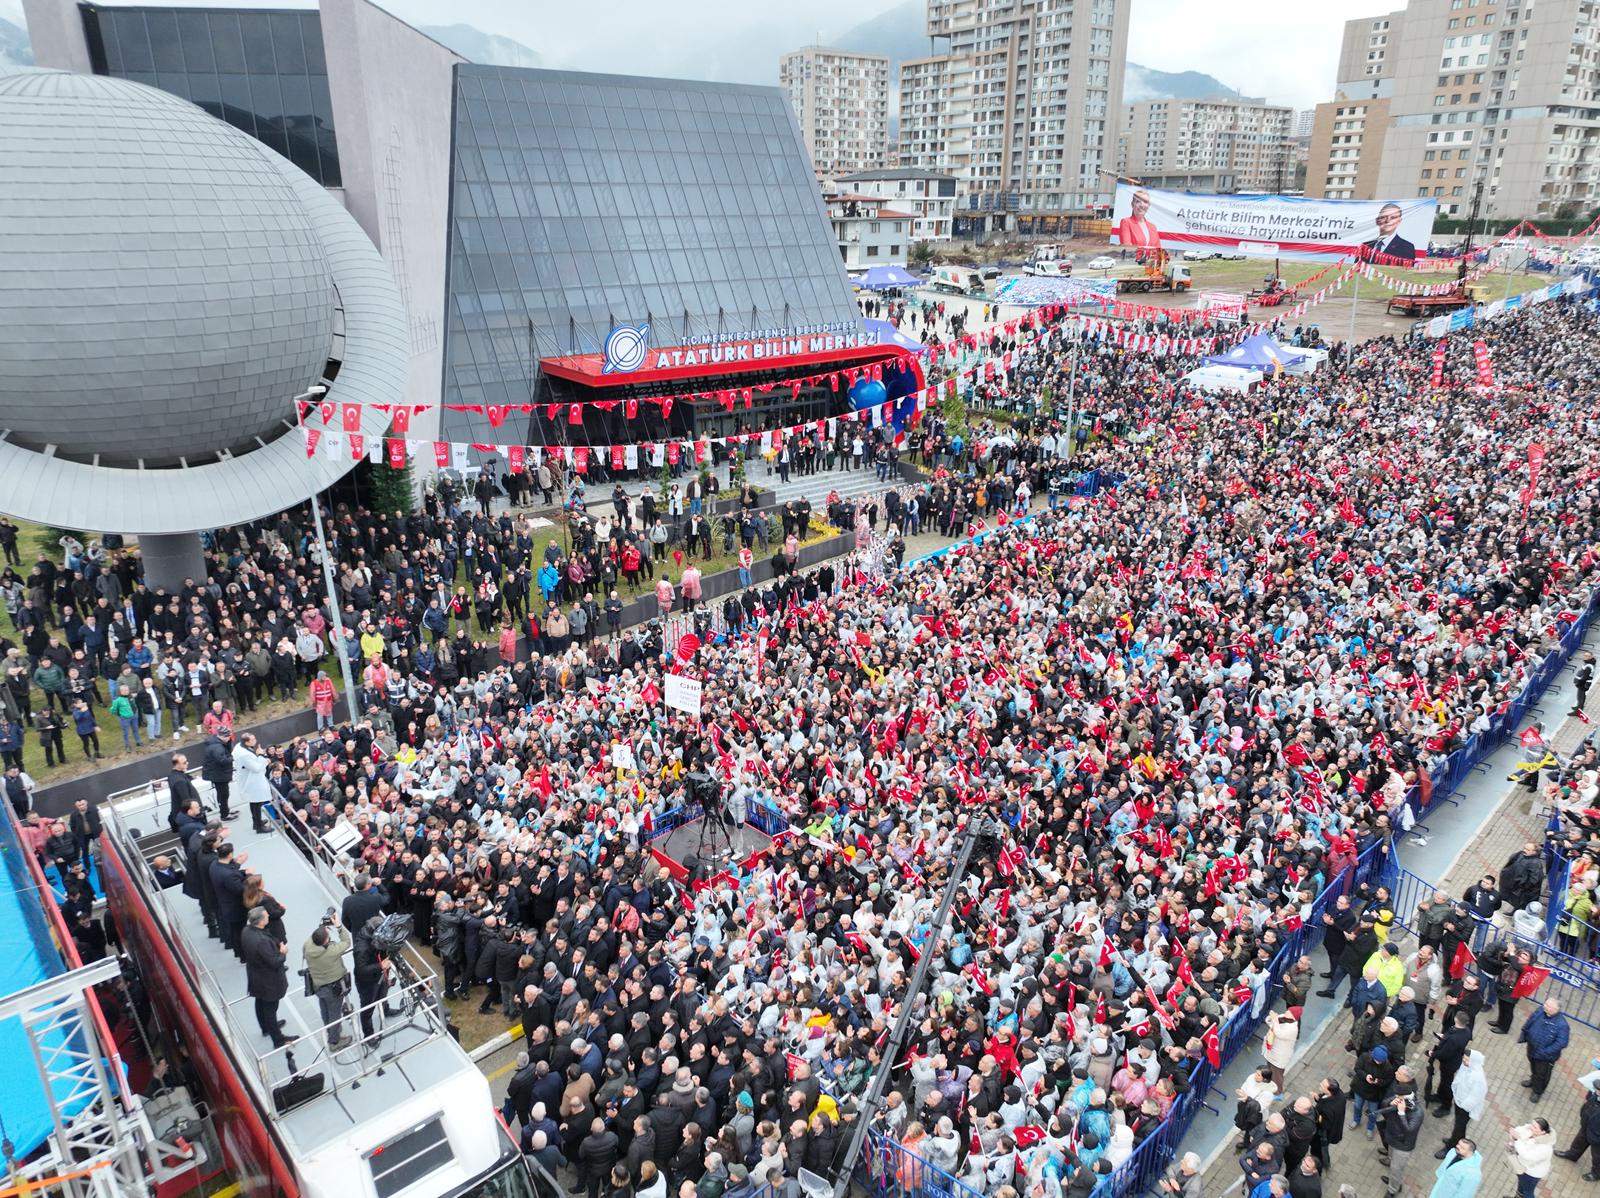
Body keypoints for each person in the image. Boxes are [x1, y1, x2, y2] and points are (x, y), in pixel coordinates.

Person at [241, 905, 291, 1049]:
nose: (269, 916)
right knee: (270, 1008)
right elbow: (275, 962)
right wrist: (282, 952)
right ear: (261, 921)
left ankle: (266, 1027)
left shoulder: (246, 931)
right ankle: (278, 1039)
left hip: (256, 976)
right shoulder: (261, 941)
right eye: (266, 915)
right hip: (267, 979)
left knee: (260, 1002)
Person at [302, 912, 353, 1050]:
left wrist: (322, 927)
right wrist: (339, 926)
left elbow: (315, 937)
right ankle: (334, 1041)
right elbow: (346, 942)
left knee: (325, 1010)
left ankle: (330, 1031)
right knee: (335, 1013)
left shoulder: (308, 946)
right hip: (333, 987)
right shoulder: (330, 951)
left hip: (318, 985)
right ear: (326, 941)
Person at [1436, 1049, 1486, 1158]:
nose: (1464, 1061)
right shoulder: (1466, 1067)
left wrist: (1463, 1105)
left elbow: (1475, 1096)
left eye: (1467, 1060)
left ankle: (1452, 1147)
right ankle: (1454, 1139)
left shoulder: (1478, 1078)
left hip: (1465, 1108)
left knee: (1459, 1127)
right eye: (1464, 1058)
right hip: (1459, 1102)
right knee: (1458, 1126)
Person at [1519, 997, 1570, 1102]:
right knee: (1533, 1067)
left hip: (1545, 1056)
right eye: (1545, 1004)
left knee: (1542, 1074)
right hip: (1532, 1048)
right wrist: (1525, 1032)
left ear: (1555, 1010)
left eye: (1547, 1006)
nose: (1544, 1006)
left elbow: (1562, 1043)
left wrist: (1545, 1052)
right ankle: (1533, 1080)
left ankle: (1537, 1091)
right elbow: (1531, 1020)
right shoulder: (1540, 1011)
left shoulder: (1562, 1025)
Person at [1556, 1079, 1600, 1180]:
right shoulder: (1595, 1096)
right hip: (1586, 1126)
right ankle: (1572, 1155)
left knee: (1598, 1157)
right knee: (1578, 1143)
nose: (1596, 1091)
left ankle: (1596, 1174)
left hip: (1598, 1137)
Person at [232, 731, 273, 834]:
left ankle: (257, 822)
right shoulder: (244, 754)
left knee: (255, 802)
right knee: (256, 802)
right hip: (251, 781)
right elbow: (256, 768)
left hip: (250, 779)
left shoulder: (240, 748)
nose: (255, 741)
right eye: (253, 740)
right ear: (247, 742)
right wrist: (261, 756)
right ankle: (259, 826)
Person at [1507, 1118, 1554, 1198]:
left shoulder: (1545, 1148)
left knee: (1528, 1192)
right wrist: (1514, 1133)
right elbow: (1520, 1130)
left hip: (1531, 1173)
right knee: (1521, 1186)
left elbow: (1527, 1155)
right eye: (1532, 1124)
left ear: (1542, 1132)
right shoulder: (1531, 1130)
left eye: (1535, 1127)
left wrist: (1517, 1140)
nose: (1531, 1127)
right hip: (1524, 1167)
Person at [1115, 188, 1162, 253]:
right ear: (1132, 204)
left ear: (1148, 205)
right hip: (1135, 261)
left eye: (1145, 202)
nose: (1142, 205)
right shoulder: (1126, 222)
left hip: (1151, 262)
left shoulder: (1153, 227)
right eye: (1138, 201)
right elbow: (1127, 247)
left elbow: (1158, 250)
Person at [202, 727, 235, 820]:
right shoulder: (217, 747)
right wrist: (232, 758)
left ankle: (226, 810)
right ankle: (224, 814)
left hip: (218, 774)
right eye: (228, 736)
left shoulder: (218, 744)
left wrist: (228, 743)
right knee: (223, 795)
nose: (230, 738)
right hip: (218, 775)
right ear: (223, 736)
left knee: (223, 794)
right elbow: (222, 760)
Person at [166, 752, 203, 831]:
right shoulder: (180, 781)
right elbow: (186, 800)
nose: (187, 763)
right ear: (177, 764)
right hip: (191, 816)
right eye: (184, 762)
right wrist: (197, 813)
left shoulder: (172, 776)